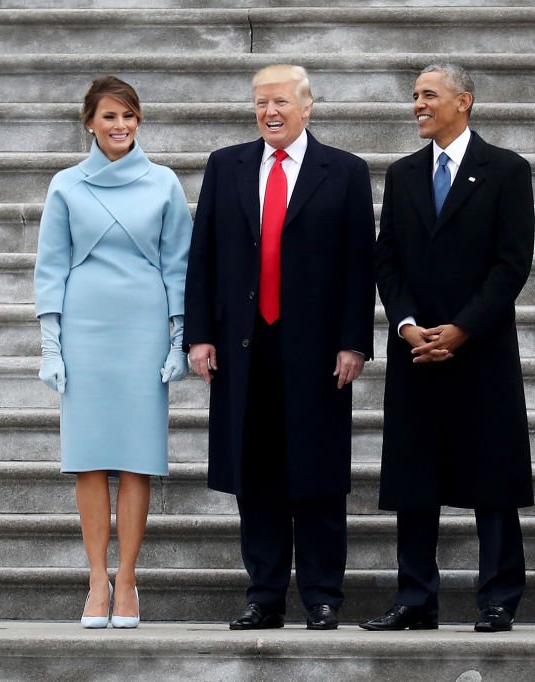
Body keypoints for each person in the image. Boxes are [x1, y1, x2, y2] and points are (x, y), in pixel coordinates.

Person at [183, 64, 375, 631]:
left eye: (281, 102)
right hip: (245, 347)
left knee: (316, 476)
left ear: (307, 107)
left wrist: (352, 343)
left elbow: (358, 266)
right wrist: (199, 334)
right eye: (261, 102)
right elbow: (204, 257)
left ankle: (321, 596)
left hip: (317, 351)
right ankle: (264, 596)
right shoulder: (227, 166)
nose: (270, 112)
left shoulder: (344, 171)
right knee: (257, 474)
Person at [361, 63, 535, 633]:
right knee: (415, 478)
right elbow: (386, 259)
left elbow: (512, 264)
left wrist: (462, 329)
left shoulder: (506, 170)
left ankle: (498, 598)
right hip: (416, 351)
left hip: (480, 350)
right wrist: (408, 324)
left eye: (428, 95)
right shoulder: (405, 173)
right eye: (414, 96)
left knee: (492, 475)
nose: (418, 104)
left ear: (464, 101)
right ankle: (415, 598)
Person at [34, 76, 192, 629]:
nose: (120, 126)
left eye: (129, 116)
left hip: (143, 329)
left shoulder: (164, 183)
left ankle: (127, 579)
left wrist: (178, 338)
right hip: (86, 329)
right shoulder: (66, 186)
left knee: (135, 458)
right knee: (89, 457)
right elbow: (51, 266)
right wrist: (51, 344)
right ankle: (95, 580)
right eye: (109, 117)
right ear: (89, 123)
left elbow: (180, 264)